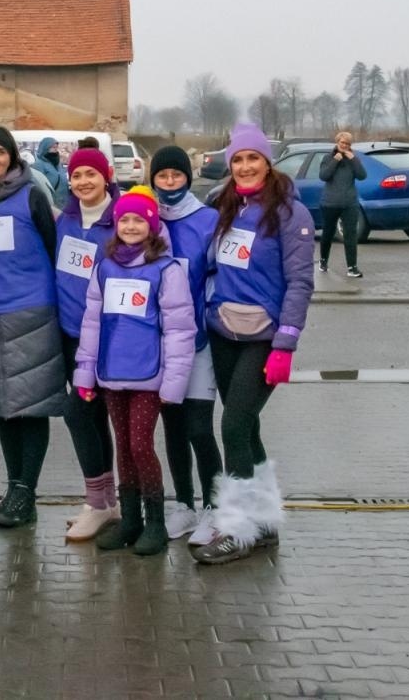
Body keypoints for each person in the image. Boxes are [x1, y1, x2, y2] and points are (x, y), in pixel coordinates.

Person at [192, 123, 314, 566]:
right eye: (238, 159)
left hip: (264, 338)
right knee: (247, 429)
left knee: (233, 427)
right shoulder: (224, 204)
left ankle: (238, 529)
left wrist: (286, 343)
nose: (244, 167)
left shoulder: (290, 214)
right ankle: (263, 526)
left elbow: (300, 283)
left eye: (253, 158)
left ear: (267, 161)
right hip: (224, 333)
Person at [73, 187, 196, 556]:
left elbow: (179, 330)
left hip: (148, 377)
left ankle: (155, 521)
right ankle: (130, 520)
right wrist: (85, 375)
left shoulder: (166, 270)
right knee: (124, 448)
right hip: (111, 374)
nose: (130, 226)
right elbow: (92, 324)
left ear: (152, 226)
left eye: (138, 220)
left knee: (141, 445)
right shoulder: (104, 268)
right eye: (124, 219)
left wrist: (173, 384)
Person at [0, 126, 63, 528]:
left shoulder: (32, 195)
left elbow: (55, 248)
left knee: (33, 407)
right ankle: (14, 487)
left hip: (33, 314)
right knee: (5, 408)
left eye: (0, 152)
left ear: (12, 158)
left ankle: (26, 491)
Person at [147, 145, 225, 546]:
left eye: (176, 175)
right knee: (173, 428)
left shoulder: (208, 220)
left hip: (198, 344)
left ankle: (214, 508)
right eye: (162, 176)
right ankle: (183, 505)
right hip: (158, 345)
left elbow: (217, 279)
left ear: (187, 178)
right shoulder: (146, 220)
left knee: (198, 427)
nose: (170, 182)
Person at [54, 146, 122, 540]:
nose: (83, 182)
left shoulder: (120, 221)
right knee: (93, 418)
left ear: (105, 176)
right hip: (69, 335)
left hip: (105, 339)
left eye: (90, 174)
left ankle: (96, 504)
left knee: (77, 414)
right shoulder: (65, 220)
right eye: (77, 175)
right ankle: (107, 502)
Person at [317, 132, 368, 279]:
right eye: (342, 143)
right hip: (330, 203)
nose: (344, 146)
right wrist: (335, 160)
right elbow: (323, 176)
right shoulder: (328, 158)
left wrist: (354, 160)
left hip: (349, 203)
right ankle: (323, 261)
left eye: (347, 144)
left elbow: (362, 176)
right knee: (328, 232)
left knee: (350, 235)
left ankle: (352, 267)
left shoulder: (353, 159)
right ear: (337, 142)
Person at [34, 136, 70, 208]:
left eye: (56, 147)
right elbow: (38, 185)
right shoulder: (39, 164)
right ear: (45, 148)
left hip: (64, 201)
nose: (56, 150)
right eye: (53, 147)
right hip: (51, 203)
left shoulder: (56, 162)